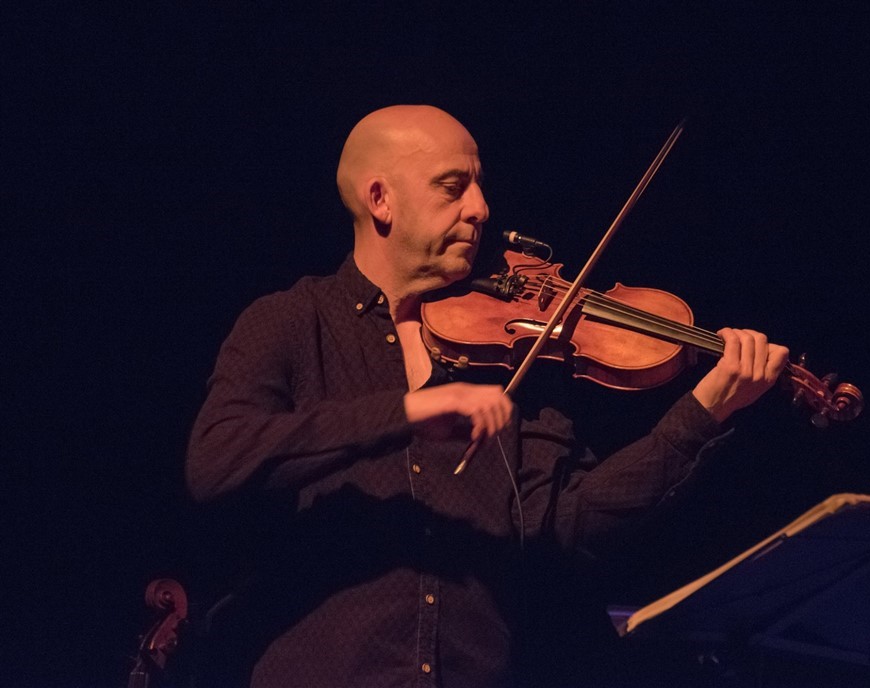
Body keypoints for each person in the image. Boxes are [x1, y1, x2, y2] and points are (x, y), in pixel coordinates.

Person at [185, 105, 789, 687]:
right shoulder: (291, 322)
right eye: (453, 188)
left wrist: (704, 411)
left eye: (479, 186)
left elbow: (566, 525)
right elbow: (217, 460)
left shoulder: (510, 355)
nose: (481, 208)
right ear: (381, 199)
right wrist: (404, 412)